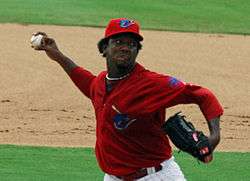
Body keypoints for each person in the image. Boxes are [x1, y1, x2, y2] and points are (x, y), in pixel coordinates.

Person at [32, 18, 223, 181]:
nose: (125, 48)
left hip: (155, 176)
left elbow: (202, 95)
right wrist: (58, 56)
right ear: (105, 48)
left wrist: (214, 136)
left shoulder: (153, 84)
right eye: (118, 42)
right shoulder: (100, 83)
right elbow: (87, 83)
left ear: (137, 50)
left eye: (131, 44)